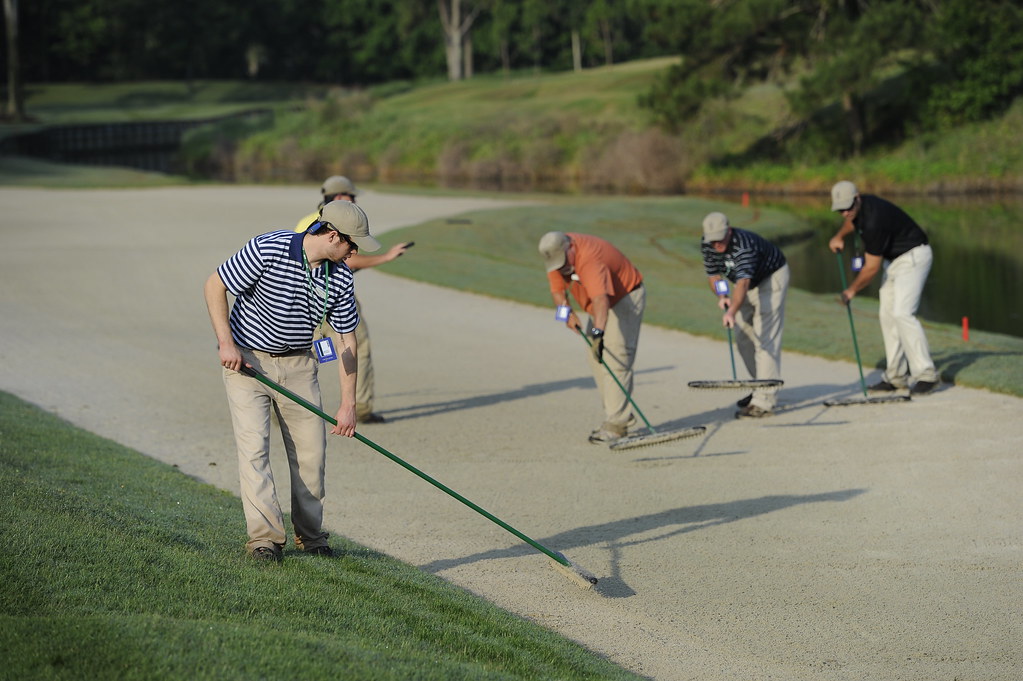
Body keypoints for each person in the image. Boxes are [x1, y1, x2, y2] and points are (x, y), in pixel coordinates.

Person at [204, 199, 381, 562]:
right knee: (254, 451)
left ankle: (311, 536)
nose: (354, 252)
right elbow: (215, 284)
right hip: (247, 365)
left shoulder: (340, 275)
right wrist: (226, 342)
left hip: (300, 366)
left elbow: (347, 341)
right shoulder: (269, 247)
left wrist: (348, 405)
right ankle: (265, 540)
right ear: (333, 236)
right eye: (352, 244)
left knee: (311, 456)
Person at [295, 176, 412, 423]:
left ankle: (283, 403)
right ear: (339, 198)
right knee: (356, 345)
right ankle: (361, 409)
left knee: (302, 350)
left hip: (307, 296)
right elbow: (348, 261)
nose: (355, 200)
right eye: (351, 196)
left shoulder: (309, 222)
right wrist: (386, 258)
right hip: (330, 294)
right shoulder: (339, 226)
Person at [828, 181, 939, 396]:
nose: (845, 212)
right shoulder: (860, 209)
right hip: (895, 261)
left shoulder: (874, 220)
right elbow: (852, 223)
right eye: (840, 209)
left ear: (857, 198)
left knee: (902, 313)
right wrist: (839, 236)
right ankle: (896, 376)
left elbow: (871, 269)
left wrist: (851, 290)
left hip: (914, 257)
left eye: (849, 207)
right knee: (887, 316)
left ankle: (927, 375)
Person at [539, 231, 645, 444]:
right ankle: (617, 415)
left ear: (570, 247)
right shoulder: (555, 256)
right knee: (596, 358)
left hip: (624, 297)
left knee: (616, 357)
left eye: (563, 262)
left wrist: (598, 334)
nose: (561, 268)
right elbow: (557, 291)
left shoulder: (590, 259)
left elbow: (601, 301)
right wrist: (566, 314)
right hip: (601, 302)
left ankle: (617, 423)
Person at [700, 212, 790, 418]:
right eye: (711, 241)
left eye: (720, 239)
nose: (716, 245)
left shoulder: (744, 246)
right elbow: (714, 274)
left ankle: (764, 401)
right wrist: (722, 295)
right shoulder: (708, 244)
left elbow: (743, 283)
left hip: (771, 279)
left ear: (729, 231)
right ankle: (760, 386)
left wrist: (731, 311)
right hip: (746, 284)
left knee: (764, 338)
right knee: (743, 338)